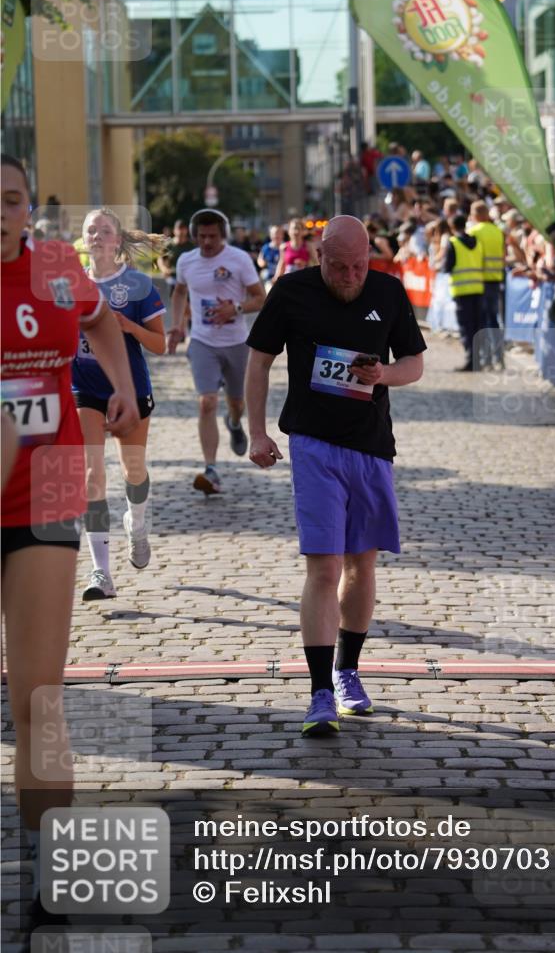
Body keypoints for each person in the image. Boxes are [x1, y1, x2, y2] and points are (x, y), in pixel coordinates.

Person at [1, 154, 138, 931]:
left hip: (45, 485)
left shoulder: (57, 266)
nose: (2, 213)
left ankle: (53, 871)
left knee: (37, 700)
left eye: (13, 200)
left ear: (29, 208)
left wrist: (116, 382)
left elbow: (97, 318)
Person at [245, 215, 426, 737]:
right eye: (340, 267)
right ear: (318, 257)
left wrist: (384, 375)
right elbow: (258, 362)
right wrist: (257, 433)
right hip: (313, 444)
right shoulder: (292, 290)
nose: (351, 276)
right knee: (323, 567)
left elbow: (413, 362)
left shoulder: (388, 291)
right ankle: (320, 692)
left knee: (361, 566)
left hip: (371, 445)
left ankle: (349, 672)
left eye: (359, 266)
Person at [73, 208, 167, 600]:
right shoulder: (69, 284)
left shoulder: (138, 285)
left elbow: (161, 345)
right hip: (84, 389)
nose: (96, 235)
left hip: (128, 388)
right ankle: (101, 572)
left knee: (133, 470)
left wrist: (127, 327)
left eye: (104, 230)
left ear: (117, 239)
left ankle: (137, 522)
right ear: (83, 239)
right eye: (90, 230)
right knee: (92, 475)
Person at [168, 208, 265, 495]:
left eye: (212, 236)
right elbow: (179, 292)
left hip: (236, 343)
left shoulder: (238, 259)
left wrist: (234, 308)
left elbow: (261, 298)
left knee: (237, 403)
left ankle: (234, 423)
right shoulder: (186, 260)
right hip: (202, 341)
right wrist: (176, 326)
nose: (207, 242)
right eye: (201, 236)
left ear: (222, 235)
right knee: (206, 401)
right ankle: (211, 469)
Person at [444, 212, 485, 371]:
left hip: (461, 291)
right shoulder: (477, 241)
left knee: (466, 327)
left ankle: (471, 361)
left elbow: (448, 267)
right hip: (478, 289)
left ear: (453, 227)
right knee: (476, 325)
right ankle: (478, 359)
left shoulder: (453, 243)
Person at [469, 201, 506, 369]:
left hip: (479, 281)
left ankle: (487, 359)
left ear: (476, 215)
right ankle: (499, 357)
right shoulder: (497, 231)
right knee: (494, 320)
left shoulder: (474, 231)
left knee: (482, 321)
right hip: (495, 279)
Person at [272, 217, 317, 282]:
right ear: (289, 231)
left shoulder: (309, 246)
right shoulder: (284, 247)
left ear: (303, 231)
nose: (296, 231)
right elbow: (281, 264)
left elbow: (316, 263)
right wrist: (276, 278)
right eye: (293, 229)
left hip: (305, 280)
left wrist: (306, 264)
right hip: (289, 281)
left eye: (298, 229)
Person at [158, 219, 195, 296]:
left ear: (186, 230)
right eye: (179, 229)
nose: (181, 231)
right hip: (172, 276)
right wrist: (164, 269)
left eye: (183, 229)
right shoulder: (169, 245)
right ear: (174, 231)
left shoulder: (191, 246)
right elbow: (160, 259)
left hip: (187, 278)